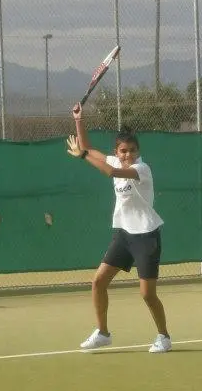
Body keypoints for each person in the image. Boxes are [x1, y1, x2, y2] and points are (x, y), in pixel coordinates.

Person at [67, 103, 171, 353]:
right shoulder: (116, 159)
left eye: (132, 151)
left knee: (147, 294)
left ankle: (164, 337)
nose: (128, 155)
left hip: (146, 236)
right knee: (98, 282)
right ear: (117, 151)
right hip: (123, 235)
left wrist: (82, 155)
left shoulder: (141, 169)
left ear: (138, 152)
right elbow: (90, 148)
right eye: (123, 151)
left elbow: (111, 170)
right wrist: (79, 120)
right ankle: (103, 333)